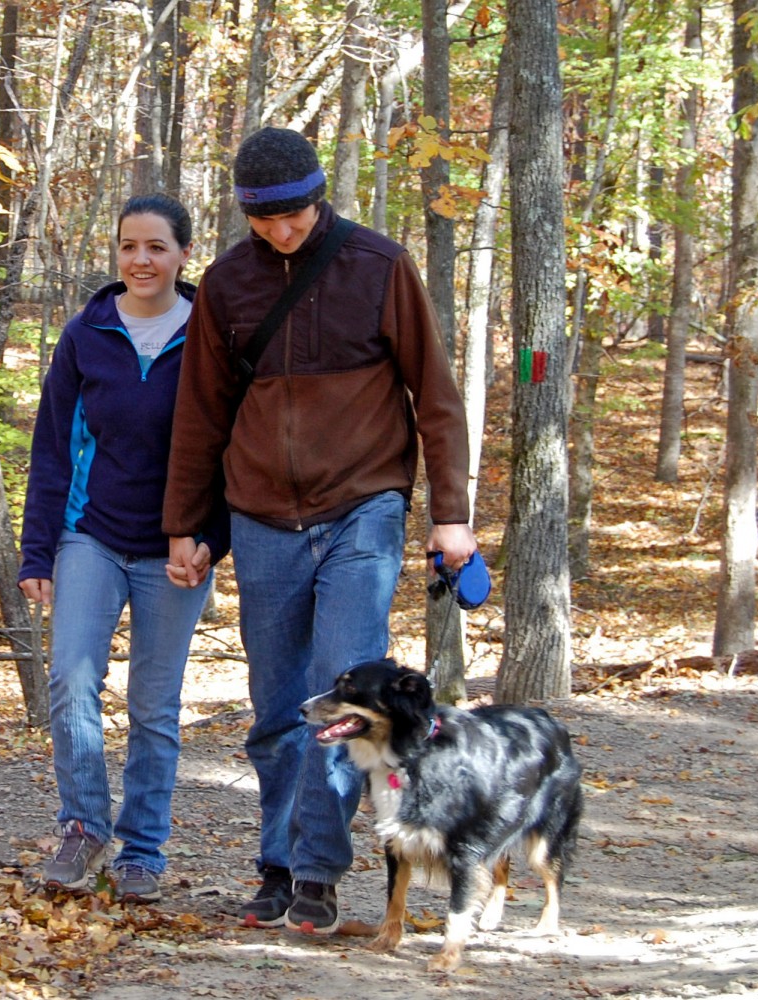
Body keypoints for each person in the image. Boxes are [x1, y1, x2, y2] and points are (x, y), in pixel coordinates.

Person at [162, 128, 478, 933]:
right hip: (260, 515)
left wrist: (451, 515)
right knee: (276, 708)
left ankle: (315, 871)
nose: (283, 231)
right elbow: (201, 413)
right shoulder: (228, 284)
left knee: (344, 690)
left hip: (363, 506)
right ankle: (275, 861)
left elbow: (434, 396)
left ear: (318, 195)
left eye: (295, 214)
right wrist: (189, 525)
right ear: (245, 214)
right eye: (265, 220)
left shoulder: (379, 266)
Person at [20, 193, 228, 905]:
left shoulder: (210, 333)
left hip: (177, 549)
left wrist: (210, 540)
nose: (141, 260)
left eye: (156, 247)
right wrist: (37, 551)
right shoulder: (87, 333)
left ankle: (143, 850)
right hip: (92, 535)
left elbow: (232, 451)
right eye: (128, 247)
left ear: (182, 255)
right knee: (72, 680)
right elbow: (53, 446)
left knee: (154, 703)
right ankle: (82, 826)